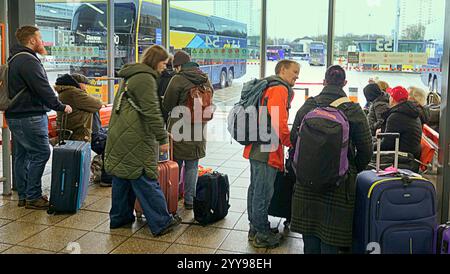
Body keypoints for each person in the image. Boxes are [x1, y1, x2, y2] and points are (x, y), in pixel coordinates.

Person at [290, 65, 373, 254]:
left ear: (324, 81)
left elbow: (294, 139)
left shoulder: (309, 105)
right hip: (339, 184)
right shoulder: (353, 110)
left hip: (306, 180)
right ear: (344, 83)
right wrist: (350, 168)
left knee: (309, 232)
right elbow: (367, 149)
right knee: (330, 237)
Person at [104, 45, 180, 236]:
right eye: (163, 63)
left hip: (119, 133)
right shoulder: (146, 78)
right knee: (144, 177)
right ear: (156, 61)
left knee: (122, 176)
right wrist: (162, 137)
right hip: (135, 136)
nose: (164, 68)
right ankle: (162, 222)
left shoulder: (131, 75)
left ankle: (119, 218)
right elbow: (151, 111)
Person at [5, 25, 72, 210]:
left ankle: (24, 196)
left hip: (15, 115)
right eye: (40, 38)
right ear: (32, 40)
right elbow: (43, 89)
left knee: (22, 155)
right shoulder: (28, 61)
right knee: (42, 153)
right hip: (30, 116)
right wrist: (60, 106)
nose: (42, 41)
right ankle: (33, 197)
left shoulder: (14, 59)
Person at [243, 60, 299, 248]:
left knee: (255, 189)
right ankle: (261, 234)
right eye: (294, 71)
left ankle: (256, 227)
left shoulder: (268, 85)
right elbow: (278, 121)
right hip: (267, 149)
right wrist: (291, 142)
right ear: (282, 70)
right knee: (263, 192)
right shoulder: (279, 89)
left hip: (256, 145)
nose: (297, 76)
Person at [162, 50, 214, 210]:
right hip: (199, 126)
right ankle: (190, 200)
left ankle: (172, 197)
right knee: (192, 164)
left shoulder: (178, 79)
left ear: (178, 66)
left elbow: (168, 105)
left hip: (179, 127)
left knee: (176, 163)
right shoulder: (204, 78)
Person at [54, 73, 102, 142]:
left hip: (70, 132)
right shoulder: (74, 93)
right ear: (78, 84)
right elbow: (98, 104)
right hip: (79, 134)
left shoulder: (64, 92)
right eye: (85, 84)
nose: (86, 87)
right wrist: (84, 92)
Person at [380, 86, 422, 163]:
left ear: (392, 99)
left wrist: (368, 146)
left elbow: (386, 145)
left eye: (390, 96)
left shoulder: (396, 116)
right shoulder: (411, 112)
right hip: (411, 157)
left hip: (402, 159)